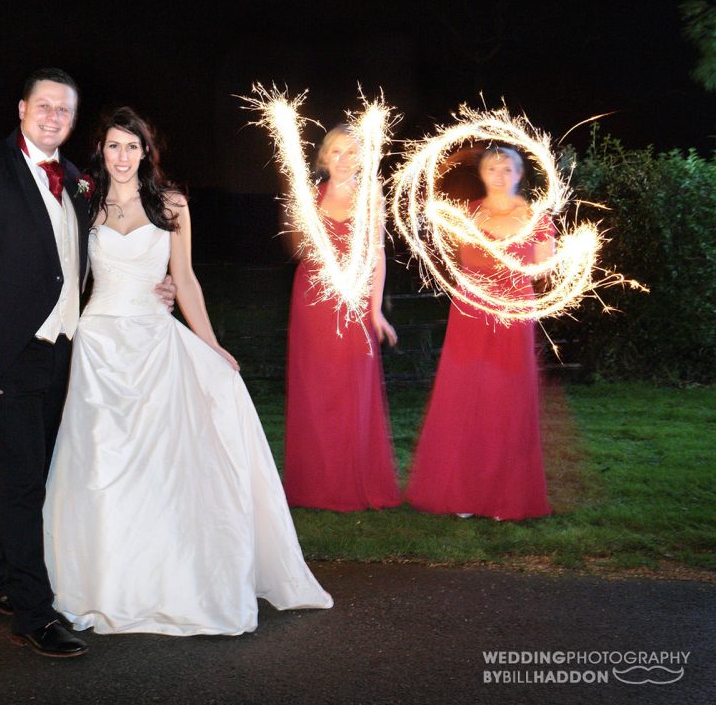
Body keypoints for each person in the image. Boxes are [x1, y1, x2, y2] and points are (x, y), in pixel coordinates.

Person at [43, 106, 333, 636]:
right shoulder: (83, 203)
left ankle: (168, 576)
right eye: (113, 145)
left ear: (146, 152)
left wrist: (211, 345)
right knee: (101, 463)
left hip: (153, 341)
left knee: (160, 461)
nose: (123, 156)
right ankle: (105, 582)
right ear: (101, 151)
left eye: (132, 146)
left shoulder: (172, 203)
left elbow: (187, 279)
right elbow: (67, 273)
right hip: (99, 345)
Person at [0, 69, 94, 658]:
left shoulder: (77, 180)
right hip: (3, 359)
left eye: (64, 110)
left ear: (72, 120)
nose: (53, 117)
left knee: (19, 474)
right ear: (23, 108)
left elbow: (78, 262)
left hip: (61, 353)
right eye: (44, 106)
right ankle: (34, 613)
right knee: (25, 483)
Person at [404, 146, 555, 520]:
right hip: (472, 311)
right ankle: (464, 492)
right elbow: (462, 260)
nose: (499, 175)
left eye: (507, 168)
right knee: (468, 395)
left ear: (519, 174)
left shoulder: (536, 217)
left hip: (512, 311)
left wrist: (516, 266)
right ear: (482, 174)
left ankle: (506, 495)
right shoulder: (468, 213)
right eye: (491, 168)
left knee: (508, 396)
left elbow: (543, 269)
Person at [282, 125, 402, 511]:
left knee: (351, 388)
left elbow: (377, 256)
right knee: (315, 389)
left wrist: (375, 309)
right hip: (313, 302)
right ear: (323, 157)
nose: (344, 159)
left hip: (353, 304)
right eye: (336, 151)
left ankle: (352, 480)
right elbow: (300, 249)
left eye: (352, 152)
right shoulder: (309, 196)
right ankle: (314, 484)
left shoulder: (371, 198)